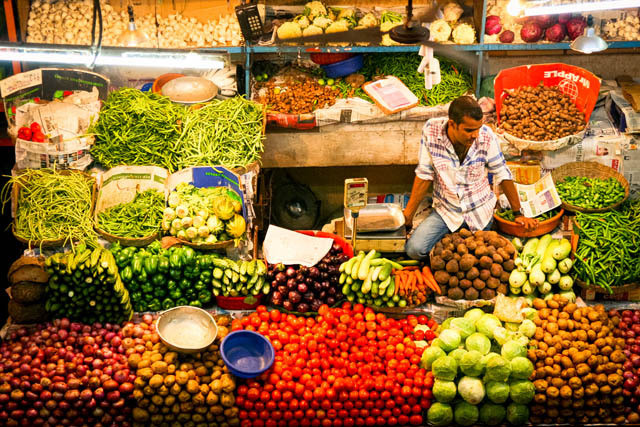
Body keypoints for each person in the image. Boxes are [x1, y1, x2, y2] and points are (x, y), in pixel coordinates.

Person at [404, 96, 537, 260]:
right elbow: (424, 174)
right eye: (469, 130)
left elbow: (503, 174)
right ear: (452, 124)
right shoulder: (431, 131)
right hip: (447, 210)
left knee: (479, 257)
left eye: (478, 128)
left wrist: (518, 213)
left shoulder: (486, 136)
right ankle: (449, 242)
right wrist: (408, 216)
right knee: (414, 249)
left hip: (479, 211)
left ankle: (452, 243)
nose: (475, 135)